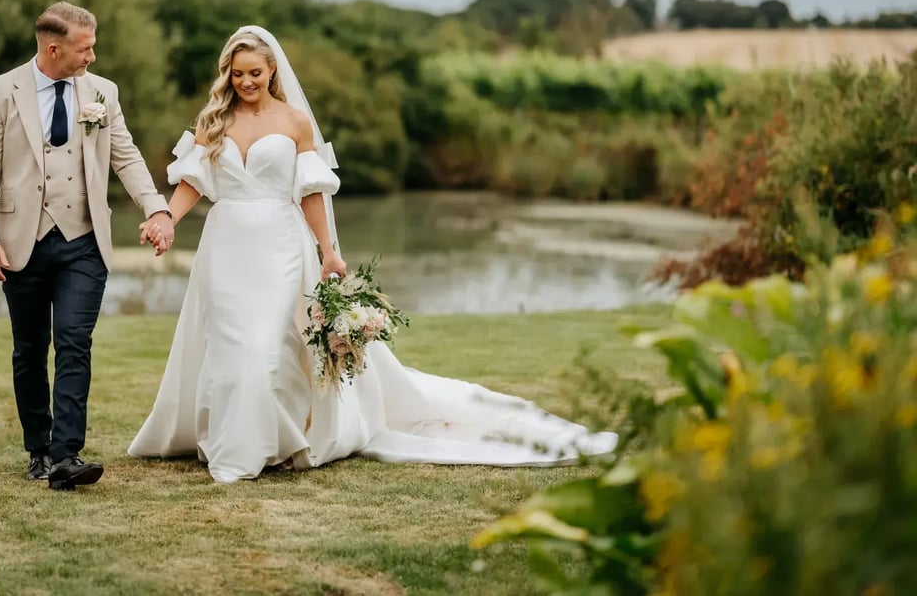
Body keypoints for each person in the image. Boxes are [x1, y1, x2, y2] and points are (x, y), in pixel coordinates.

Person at [128, 26, 617, 483]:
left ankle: (270, 443)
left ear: (273, 70)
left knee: (267, 345)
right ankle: (236, 444)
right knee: (231, 345)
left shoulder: (297, 123)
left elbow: (312, 192)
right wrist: (167, 217)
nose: (247, 82)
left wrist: (329, 253)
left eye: (255, 72)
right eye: (238, 74)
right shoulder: (215, 120)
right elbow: (193, 182)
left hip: (279, 243)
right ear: (227, 74)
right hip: (226, 245)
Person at [0, 1, 175, 490]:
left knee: (73, 342)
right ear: (54, 47)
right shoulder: (0, 92)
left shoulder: (102, 93)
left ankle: (66, 455)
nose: (93, 57)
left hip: (84, 242)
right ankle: (38, 450)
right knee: (29, 349)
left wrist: (157, 208)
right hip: (21, 240)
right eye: (86, 49)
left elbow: (124, 154)